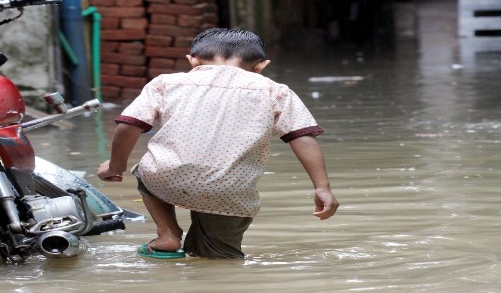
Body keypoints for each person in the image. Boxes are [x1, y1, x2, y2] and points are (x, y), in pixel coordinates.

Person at [97, 28, 339, 259]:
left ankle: (167, 234)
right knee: (219, 258)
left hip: (167, 177)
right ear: (260, 67)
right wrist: (322, 187)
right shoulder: (275, 92)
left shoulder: (165, 83)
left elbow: (128, 125)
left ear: (193, 61)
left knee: (145, 169)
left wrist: (115, 166)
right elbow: (302, 137)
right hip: (229, 191)